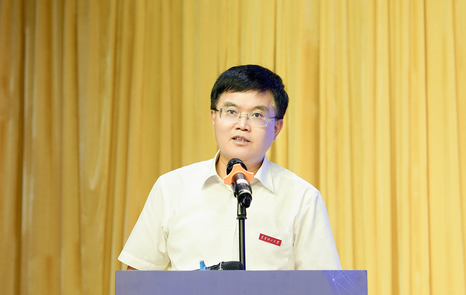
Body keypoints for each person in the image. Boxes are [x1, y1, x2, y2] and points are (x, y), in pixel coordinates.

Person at [118, 65, 341, 270]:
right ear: (214, 117)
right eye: (231, 112)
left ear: (277, 128)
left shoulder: (302, 198)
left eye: (257, 115)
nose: (242, 125)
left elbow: (323, 290)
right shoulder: (171, 188)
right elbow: (137, 281)